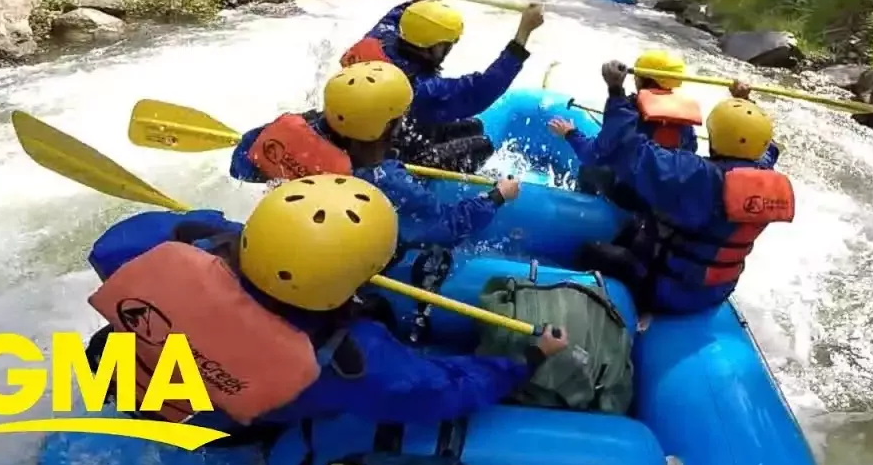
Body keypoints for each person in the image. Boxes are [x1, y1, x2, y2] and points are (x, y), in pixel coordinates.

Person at [83, 175, 569, 448]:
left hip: (114, 372)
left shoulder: (179, 243)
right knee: (381, 316)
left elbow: (109, 249)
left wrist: (214, 232)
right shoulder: (348, 358)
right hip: (204, 424)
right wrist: (527, 359)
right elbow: (438, 392)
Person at [570, 60, 796, 317]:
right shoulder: (766, 173)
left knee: (589, 251)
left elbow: (627, 148)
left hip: (666, 288)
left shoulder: (696, 176)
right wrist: (745, 103)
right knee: (634, 227)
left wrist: (615, 91)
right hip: (717, 289)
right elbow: (768, 146)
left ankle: (618, 313)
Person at [229, 61, 520, 252]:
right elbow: (446, 227)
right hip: (334, 255)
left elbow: (240, 167)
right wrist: (496, 196)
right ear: (387, 126)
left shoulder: (289, 129)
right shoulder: (383, 179)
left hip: (276, 230)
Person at [339, 0, 546, 173]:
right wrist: (523, 33)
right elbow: (482, 89)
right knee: (482, 145)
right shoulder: (418, 88)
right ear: (434, 47)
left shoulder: (380, 38)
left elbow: (394, 17)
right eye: (447, 45)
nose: (450, 49)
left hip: (368, 130)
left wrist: (421, 2)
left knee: (473, 126)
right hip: (389, 153)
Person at [546, 50, 702, 211]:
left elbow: (593, 154)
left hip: (630, 196)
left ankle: (584, 213)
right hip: (666, 199)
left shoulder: (628, 111)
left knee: (589, 168)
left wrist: (570, 133)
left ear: (639, 79)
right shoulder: (684, 121)